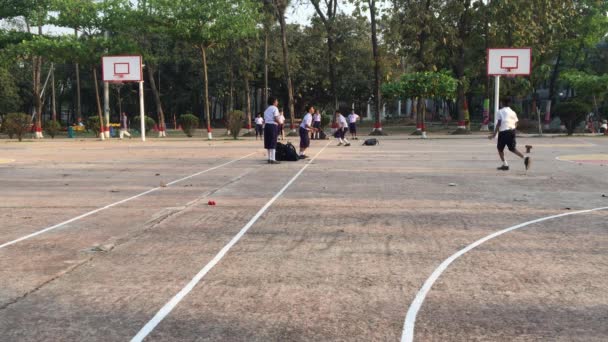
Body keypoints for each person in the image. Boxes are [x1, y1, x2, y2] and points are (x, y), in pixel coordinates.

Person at [489, 98, 530, 171]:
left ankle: (505, 164)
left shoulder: (500, 111)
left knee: (500, 149)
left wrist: (494, 134)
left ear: (502, 103)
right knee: (512, 148)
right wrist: (513, 129)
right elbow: (516, 123)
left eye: (501, 102)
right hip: (512, 131)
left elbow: (498, 124)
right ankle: (525, 158)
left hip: (504, 132)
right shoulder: (513, 112)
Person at [264, 97, 281, 164]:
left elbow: (265, 119)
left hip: (267, 126)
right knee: (273, 142)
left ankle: (269, 158)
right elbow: (275, 118)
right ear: (274, 102)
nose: (277, 102)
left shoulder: (267, 109)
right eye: (277, 101)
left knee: (268, 142)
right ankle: (273, 159)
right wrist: (280, 123)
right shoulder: (275, 108)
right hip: (272, 126)